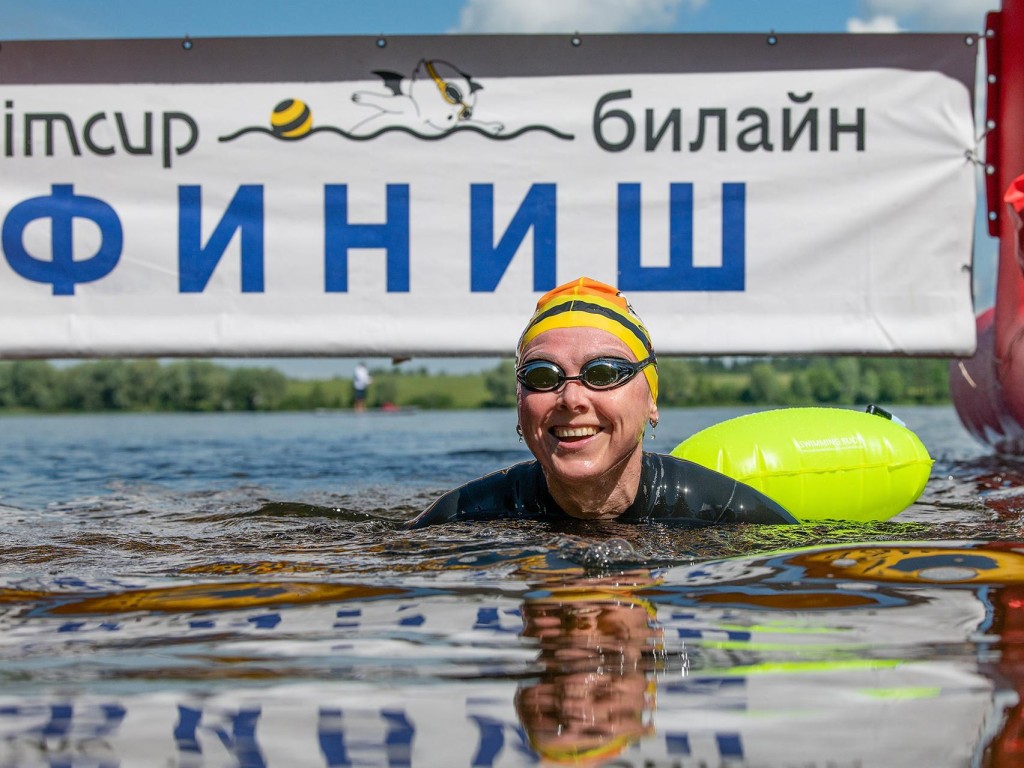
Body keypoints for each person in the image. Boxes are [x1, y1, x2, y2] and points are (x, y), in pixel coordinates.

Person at [409, 276, 796, 528]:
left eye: (605, 373)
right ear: (519, 402)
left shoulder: (731, 515)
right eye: (543, 376)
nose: (572, 398)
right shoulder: (459, 519)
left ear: (651, 401)